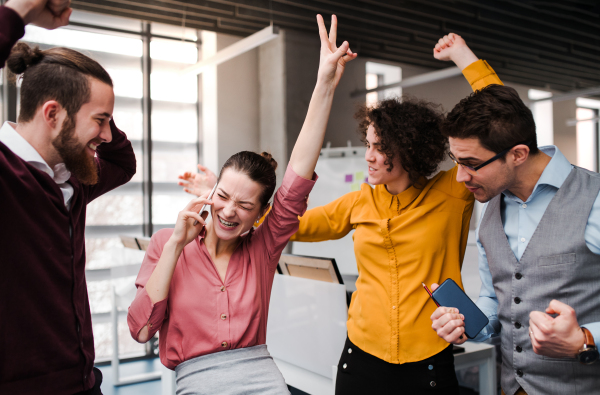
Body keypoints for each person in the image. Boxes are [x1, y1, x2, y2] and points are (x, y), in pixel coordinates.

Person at [177, 34, 503, 394]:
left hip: (427, 358)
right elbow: (287, 226)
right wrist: (225, 199)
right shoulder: (359, 202)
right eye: (368, 144)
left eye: (381, 148)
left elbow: (501, 116)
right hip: (361, 357)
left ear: (408, 149)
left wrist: (463, 56)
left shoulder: (452, 193)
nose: (369, 156)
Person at [126, 14, 356, 394]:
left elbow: (298, 175)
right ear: (211, 193)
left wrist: (324, 85)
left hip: (261, 376)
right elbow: (141, 330)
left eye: (245, 205)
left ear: (261, 213)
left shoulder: (263, 248)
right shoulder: (167, 243)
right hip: (196, 380)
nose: (230, 211)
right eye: (223, 196)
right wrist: (174, 247)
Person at [430, 39, 600, 395]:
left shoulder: (593, 198)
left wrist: (586, 338)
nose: (460, 177)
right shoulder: (490, 206)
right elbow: (497, 301)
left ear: (518, 154)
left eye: (472, 164)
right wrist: (469, 322)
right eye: (456, 161)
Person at [0, 1, 137, 394]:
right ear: (53, 113)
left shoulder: (74, 178)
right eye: (100, 120)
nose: (107, 135)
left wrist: (97, 112)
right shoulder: (6, 175)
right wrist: (18, 12)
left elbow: (122, 162)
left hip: (81, 382)